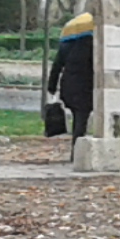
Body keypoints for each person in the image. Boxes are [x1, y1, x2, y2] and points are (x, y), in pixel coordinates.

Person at [46, 11, 95, 159]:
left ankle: (76, 149)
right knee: (82, 119)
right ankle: (77, 151)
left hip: (68, 87)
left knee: (78, 117)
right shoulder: (92, 45)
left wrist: (52, 87)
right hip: (86, 86)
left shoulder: (66, 45)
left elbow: (57, 66)